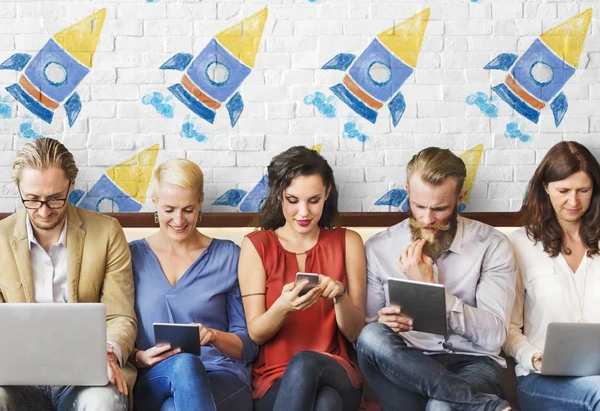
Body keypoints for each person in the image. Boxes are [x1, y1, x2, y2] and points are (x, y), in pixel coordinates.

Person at [357, 146, 517, 411]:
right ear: (408, 191)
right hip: (408, 365)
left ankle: (456, 397)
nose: (427, 219)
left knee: (441, 407)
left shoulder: (492, 245)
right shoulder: (378, 248)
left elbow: (493, 337)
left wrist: (431, 291)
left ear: (460, 198)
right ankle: (482, 405)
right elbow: (371, 332)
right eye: (418, 205)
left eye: (440, 208)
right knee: (371, 335)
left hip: (473, 363)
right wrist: (385, 322)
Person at [0, 138, 137, 411]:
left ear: (71, 186)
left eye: (55, 198)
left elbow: (121, 316)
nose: (43, 210)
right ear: (18, 188)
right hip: (16, 378)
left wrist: (108, 352)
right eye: (32, 199)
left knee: (104, 402)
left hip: (85, 375)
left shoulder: (107, 233)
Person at [238, 146, 365, 411]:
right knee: (326, 404)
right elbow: (257, 333)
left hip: (337, 369)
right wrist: (283, 307)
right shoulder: (256, 246)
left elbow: (356, 333)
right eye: (293, 200)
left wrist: (340, 296)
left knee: (307, 362)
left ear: (327, 193)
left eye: (314, 200)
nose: (304, 212)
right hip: (275, 378)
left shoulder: (348, 242)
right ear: (279, 196)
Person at [129, 158, 257, 411]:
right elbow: (114, 324)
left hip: (221, 376)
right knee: (184, 364)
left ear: (200, 202)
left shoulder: (229, 255)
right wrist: (138, 357)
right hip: (155, 377)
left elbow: (249, 347)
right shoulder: (130, 257)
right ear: (154, 202)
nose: (179, 220)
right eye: (169, 209)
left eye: (188, 209)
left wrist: (214, 336)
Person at [504, 141, 600, 410]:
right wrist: (534, 357)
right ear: (545, 188)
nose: (574, 201)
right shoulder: (520, 244)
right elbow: (508, 329)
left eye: (583, 190)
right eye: (564, 191)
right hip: (540, 381)